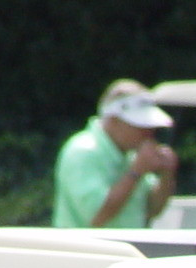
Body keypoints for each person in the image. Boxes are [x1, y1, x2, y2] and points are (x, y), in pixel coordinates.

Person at [52, 82, 178, 230]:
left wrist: (166, 176)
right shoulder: (82, 152)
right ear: (114, 120)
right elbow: (97, 216)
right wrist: (136, 172)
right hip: (86, 245)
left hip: (127, 244)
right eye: (139, 125)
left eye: (149, 126)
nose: (148, 132)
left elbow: (151, 210)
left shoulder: (131, 154)